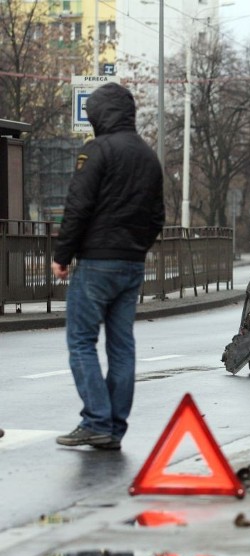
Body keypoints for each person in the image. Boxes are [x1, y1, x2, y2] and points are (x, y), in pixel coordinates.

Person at [52, 82, 165, 450]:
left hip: (97, 262)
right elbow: (157, 216)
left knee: (81, 341)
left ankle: (96, 421)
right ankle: (114, 428)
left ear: (99, 115)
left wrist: (62, 255)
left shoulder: (96, 151)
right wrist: (136, 249)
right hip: (132, 264)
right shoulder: (148, 157)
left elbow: (78, 206)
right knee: (122, 346)